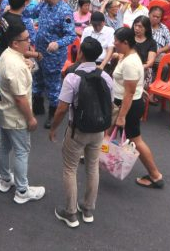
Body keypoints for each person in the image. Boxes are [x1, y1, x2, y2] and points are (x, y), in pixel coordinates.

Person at [49, 37, 115, 228]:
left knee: (70, 169)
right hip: (98, 130)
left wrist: (53, 128)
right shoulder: (106, 77)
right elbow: (110, 104)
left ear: (81, 54)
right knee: (92, 167)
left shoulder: (73, 77)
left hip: (77, 129)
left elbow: (62, 108)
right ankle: (87, 210)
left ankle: (70, 213)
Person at [0, 21, 45, 206]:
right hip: (16, 116)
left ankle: (5, 179)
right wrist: (30, 118)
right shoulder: (16, 65)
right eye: (26, 39)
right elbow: (20, 98)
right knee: (22, 151)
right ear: (16, 42)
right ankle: (22, 190)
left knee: (4, 146)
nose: (29, 43)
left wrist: (27, 68)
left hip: (3, 111)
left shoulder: (7, 55)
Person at [111, 27, 165, 189]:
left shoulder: (130, 62)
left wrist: (121, 116)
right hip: (126, 103)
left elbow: (130, 91)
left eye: (116, 41)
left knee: (136, 140)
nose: (114, 44)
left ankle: (155, 175)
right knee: (107, 131)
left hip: (127, 106)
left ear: (125, 43)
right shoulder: (128, 56)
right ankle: (94, 158)